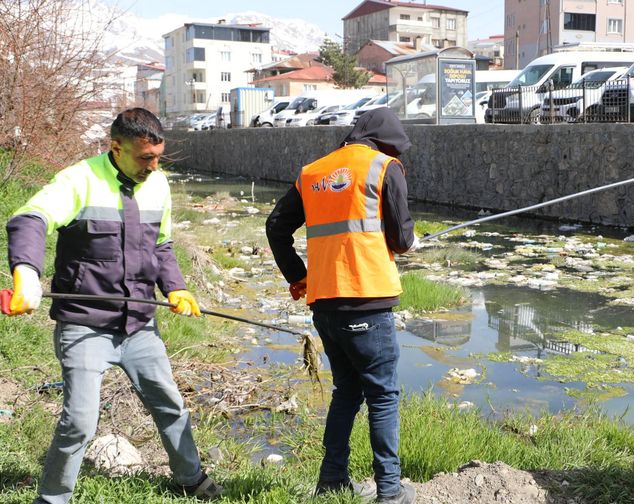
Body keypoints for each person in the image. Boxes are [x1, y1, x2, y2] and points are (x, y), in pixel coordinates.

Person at [5, 108, 223, 503]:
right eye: (145, 158)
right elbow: (30, 219)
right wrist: (25, 273)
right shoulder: (78, 180)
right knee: (79, 421)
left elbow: (162, 245)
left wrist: (175, 287)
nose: (154, 167)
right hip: (85, 326)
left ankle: (190, 478)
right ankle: (52, 498)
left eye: (159, 157)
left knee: (170, 405)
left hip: (140, 325)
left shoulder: (158, 186)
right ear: (116, 147)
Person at [266, 107, 417, 504]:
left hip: (326, 305)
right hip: (368, 301)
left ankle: (331, 482)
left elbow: (275, 226)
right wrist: (412, 243)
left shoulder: (313, 172)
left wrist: (298, 276)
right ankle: (390, 491)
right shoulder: (385, 167)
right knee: (383, 396)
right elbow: (401, 239)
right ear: (388, 142)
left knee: (346, 392)